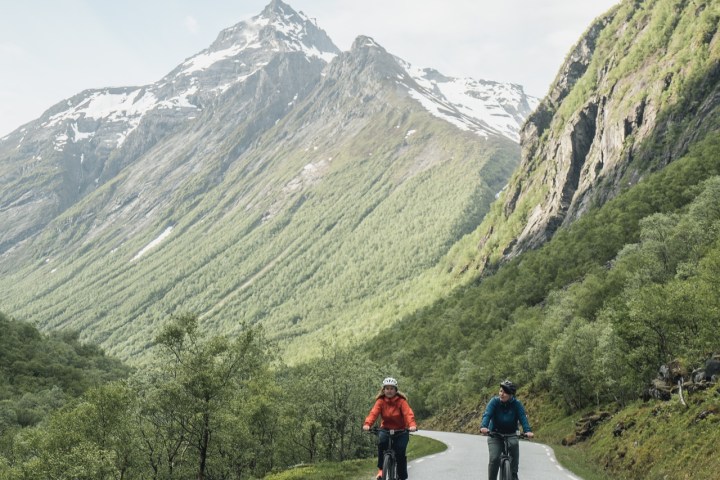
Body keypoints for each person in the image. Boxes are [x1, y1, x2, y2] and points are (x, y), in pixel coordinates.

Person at [363, 377, 417, 480]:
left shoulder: (401, 401)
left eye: (392, 388)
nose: (389, 391)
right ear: (383, 390)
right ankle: (381, 471)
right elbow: (373, 413)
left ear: (396, 390)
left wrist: (412, 425)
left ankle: (401, 476)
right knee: (382, 443)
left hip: (401, 430)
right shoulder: (380, 401)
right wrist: (367, 424)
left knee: (400, 452)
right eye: (387, 388)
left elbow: (408, 414)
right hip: (386, 429)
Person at [480, 380, 534, 480]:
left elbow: (523, 418)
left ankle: (513, 474)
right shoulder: (494, 402)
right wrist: (484, 427)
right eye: (500, 391)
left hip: (511, 433)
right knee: (494, 458)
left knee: (514, 446)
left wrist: (528, 431)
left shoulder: (517, 404)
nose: (502, 394)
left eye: (504, 392)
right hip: (494, 434)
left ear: (510, 394)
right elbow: (487, 414)